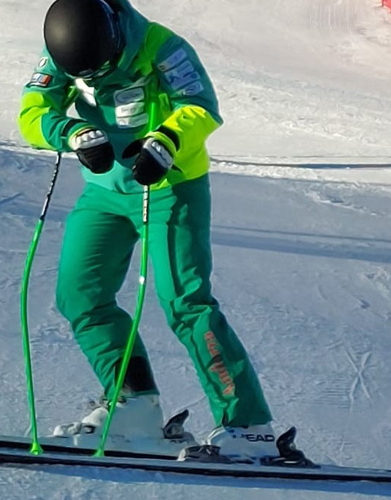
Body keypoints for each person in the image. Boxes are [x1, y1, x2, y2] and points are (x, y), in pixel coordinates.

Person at [17, 0, 277, 462]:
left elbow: (201, 107)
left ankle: (248, 426)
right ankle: (134, 405)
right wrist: (68, 131)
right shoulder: (63, 50)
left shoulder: (162, 47)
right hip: (104, 192)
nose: (93, 82)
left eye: (101, 71)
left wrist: (167, 139)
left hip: (170, 185)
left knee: (185, 303)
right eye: (84, 77)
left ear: (115, 38)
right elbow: (33, 107)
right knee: (80, 295)